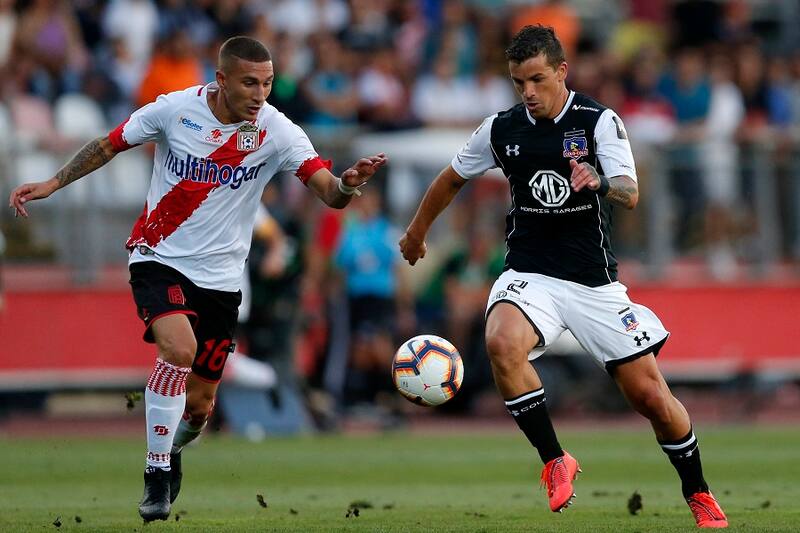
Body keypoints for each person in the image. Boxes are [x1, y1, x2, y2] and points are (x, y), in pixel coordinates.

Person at [9, 36, 386, 522]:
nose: (260, 94)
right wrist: (53, 183)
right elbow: (109, 144)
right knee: (178, 350)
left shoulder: (278, 130)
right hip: (157, 256)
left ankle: (174, 448)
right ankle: (156, 472)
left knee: (201, 406)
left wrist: (347, 186)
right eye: (250, 83)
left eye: (268, 83)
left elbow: (327, 193)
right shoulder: (174, 110)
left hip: (222, 280)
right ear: (222, 79)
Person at [399, 26, 728, 529]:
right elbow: (451, 178)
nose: (528, 92)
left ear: (561, 72)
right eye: (517, 82)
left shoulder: (598, 121)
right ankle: (555, 460)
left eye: (536, 79)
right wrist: (417, 233)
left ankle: (699, 492)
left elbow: (629, 191)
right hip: (530, 274)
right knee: (501, 343)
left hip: (593, 284)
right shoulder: (501, 129)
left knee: (651, 398)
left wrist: (598, 180)